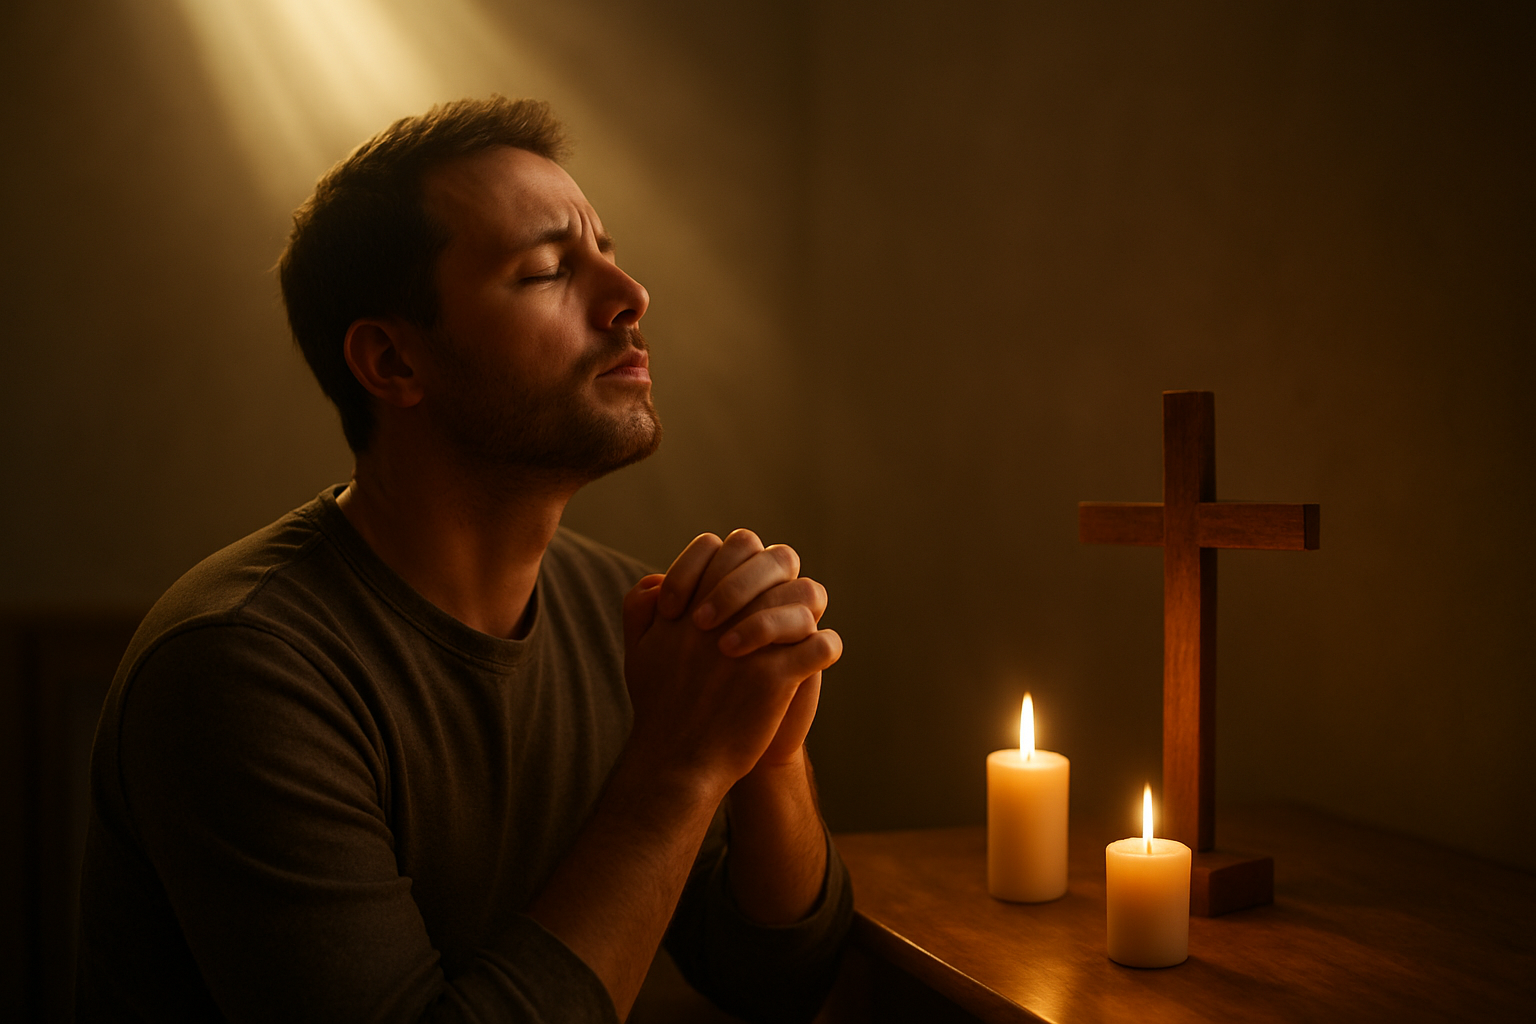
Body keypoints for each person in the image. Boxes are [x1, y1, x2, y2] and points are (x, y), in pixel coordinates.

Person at [75, 96, 850, 1024]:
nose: (629, 295)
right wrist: (679, 768)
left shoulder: (621, 611)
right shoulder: (240, 668)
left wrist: (767, 749)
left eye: (607, 250)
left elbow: (781, 978)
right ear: (394, 363)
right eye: (548, 270)